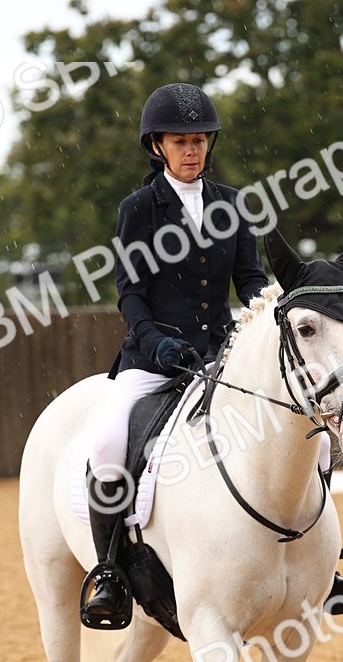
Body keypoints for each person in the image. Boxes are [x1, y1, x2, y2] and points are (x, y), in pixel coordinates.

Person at [84, 82, 268, 620]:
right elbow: (130, 292)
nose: (192, 151)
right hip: (152, 359)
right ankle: (109, 572)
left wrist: (267, 321)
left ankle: (319, 563)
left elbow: (250, 281)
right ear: (157, 146)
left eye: (200, 141)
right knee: (108, 443)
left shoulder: (233, 205)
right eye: (180, 141)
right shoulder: (140, 208)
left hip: (219, 358)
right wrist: (154, 341)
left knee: (308, 436)